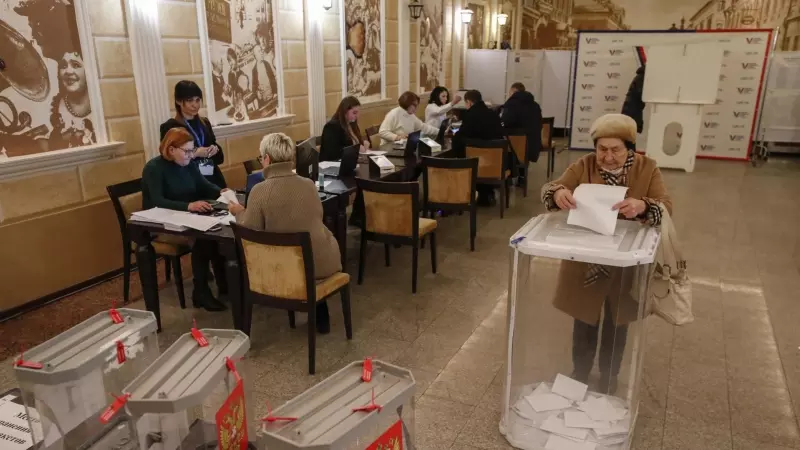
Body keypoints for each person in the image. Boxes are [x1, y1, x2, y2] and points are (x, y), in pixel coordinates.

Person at [540, 113, 672, 394]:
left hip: (625, 262)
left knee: (617, 322)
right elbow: (550, 189)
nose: (608, 157)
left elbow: (666, 207)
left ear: (629, 149)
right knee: (584, 319)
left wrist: (642, 206)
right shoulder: (584, 165)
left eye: (615, 150)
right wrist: (559, 193)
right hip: (587, 260)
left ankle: (609, 377)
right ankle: (581, 373)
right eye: (602, 149)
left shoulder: (647, 168)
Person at [233, 133, 342, 334]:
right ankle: (321, 315)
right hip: (324, 262)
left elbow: (249, 229)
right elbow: (317, 216)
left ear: (266, 159)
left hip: (285, 270)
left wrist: (239, 212)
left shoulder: (259, 191)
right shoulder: (309, 185)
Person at [142, 128, 244, 311]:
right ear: (171, 149)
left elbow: (202, 184)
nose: (191, 155)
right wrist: (189, 206)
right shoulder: (153, 168)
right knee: (204, 241)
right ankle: (201, 291)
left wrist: (220, 191)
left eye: (192, 150)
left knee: (217, 232)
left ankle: (224, 284)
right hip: (162, 220)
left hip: (188, 215)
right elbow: (158, 200)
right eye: (187, 151)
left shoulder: (188, 164)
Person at [160, 80, 227, 188]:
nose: (195, 105)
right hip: (188, 182)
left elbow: (219, 157)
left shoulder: (204, 122)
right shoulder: (170, 127)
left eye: (197, 100)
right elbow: (169, 160)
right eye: (189, 100)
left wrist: (213, 149)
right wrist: (195, 152)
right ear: (178, 101)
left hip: (212, 177)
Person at [452, 90, 507, 206]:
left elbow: (462, 135)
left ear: (469, 102)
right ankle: (488, 193)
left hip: (476, 163)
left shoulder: (470, 115)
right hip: (496, 162)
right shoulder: (493, 114)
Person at [320, 96, 370, 161]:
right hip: (333, 166)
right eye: (354, 113)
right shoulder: (332, 126)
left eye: (358, 113)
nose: (357, 116)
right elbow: (333, 153)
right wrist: (356, 149)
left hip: (351, 163)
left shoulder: (352, 124)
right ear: (345, 111)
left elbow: (357, 144)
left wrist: (363, 144)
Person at [502, 82, 542, 163]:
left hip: (517, 145)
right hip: (533, 144)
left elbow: (506, 121)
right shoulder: (535, 105)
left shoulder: (511, 104)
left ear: (513, 91)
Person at [621, 64, 646, 139]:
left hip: (630, 107)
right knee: (630, 134)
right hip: (633, 109)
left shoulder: (639, 77)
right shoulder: (642, 78)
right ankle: (630, 149)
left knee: (629, 132)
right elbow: (639, 93)